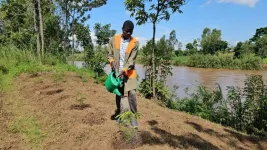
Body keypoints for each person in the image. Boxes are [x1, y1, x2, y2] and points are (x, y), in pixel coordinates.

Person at [108, 20, 139, 128]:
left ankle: (133, 116)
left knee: (132, 94)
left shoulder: (135, 42)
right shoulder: (114, 39)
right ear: (122, 29)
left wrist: (125, 69)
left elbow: (132, 59)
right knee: (119, 94)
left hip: (129, 73)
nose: (129, 33)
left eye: (131, 31)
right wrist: (111, 62)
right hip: (117, 72)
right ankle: (120, 115)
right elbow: (110, 54)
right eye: (127, 31)